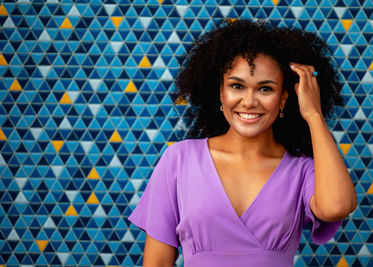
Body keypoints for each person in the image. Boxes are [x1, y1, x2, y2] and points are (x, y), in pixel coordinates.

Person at [128, 19, 357, 267]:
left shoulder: (303, 171)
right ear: (220, 92)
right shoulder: (179, 160)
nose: (249, 101)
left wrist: (313, 114)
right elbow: (157, 263)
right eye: (237, 86)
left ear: (283, 99)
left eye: (265, 89)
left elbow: (337, 207)